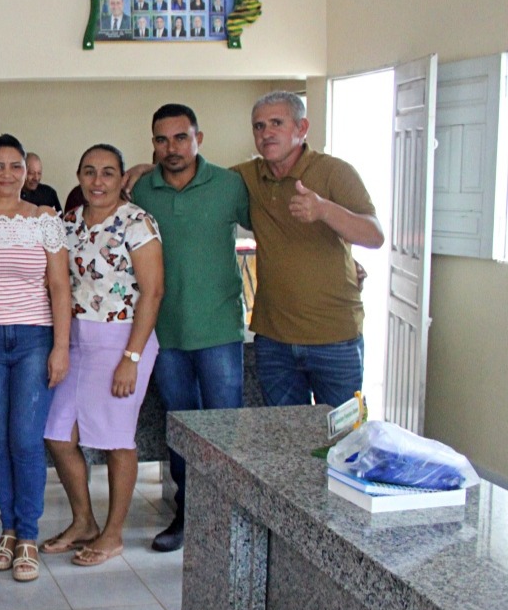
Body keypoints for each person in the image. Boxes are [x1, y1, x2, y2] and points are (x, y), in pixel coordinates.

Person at [130, 104, 250, 553]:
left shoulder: (229, 185)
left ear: (199, 138)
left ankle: (229, 516)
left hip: (219, 329)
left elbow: (278, 229)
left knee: (225, 429)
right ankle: (188, 513)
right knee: (180, 427)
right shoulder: (143, 189)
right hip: (165, 334)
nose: (172, 148)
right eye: (162, 140)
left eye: (181, 137)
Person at [42, 144, 163, 567]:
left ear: (122, 178)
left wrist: (132, 357)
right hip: (75, 340)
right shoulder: (68, 223)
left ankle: (112, 534)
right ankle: (83, 521)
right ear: (78, 175)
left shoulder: (137, 222)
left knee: (115, 440)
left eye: (108, 172)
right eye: (89, 171)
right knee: (58, 435)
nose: (98, 181)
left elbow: (153, 292)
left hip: (122, 341)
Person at [0, 135, 70, 582]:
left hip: (34, 340)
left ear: (26, 171)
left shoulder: (44, 220)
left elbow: (59, 287)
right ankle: (7, 528)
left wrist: (61, 346)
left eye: (15, 166)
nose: (7, 174)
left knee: (25, 438)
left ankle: (28, 534)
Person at [236, 91, 383, 406]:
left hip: (334, 339)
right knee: (284, 432)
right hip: (274, 341)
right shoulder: (248, 176)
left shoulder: (335, 171)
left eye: (277, 123)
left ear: (301, 128)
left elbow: (375, 236)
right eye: (259, 126)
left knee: (342, 433)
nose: (266, 133)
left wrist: (324, 210)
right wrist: (143, 171)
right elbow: (197, 178)